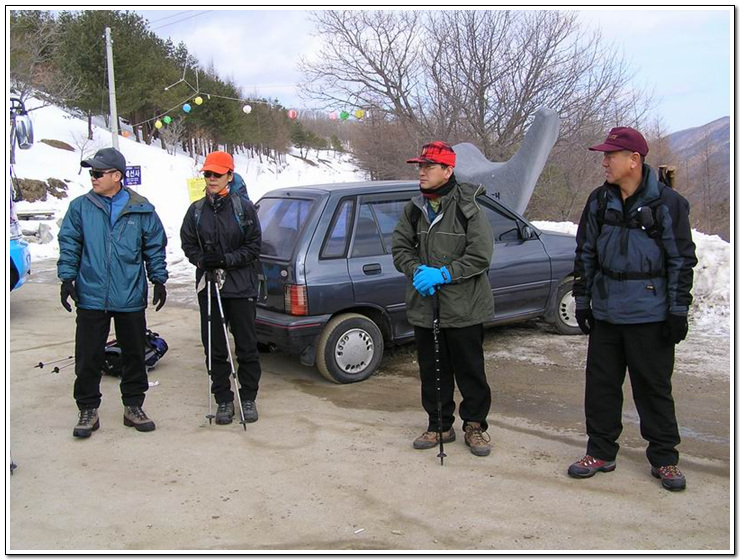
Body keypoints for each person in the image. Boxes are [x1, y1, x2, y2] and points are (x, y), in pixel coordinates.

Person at [568, 127, 698, 491]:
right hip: (607, 314)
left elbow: (681, 261)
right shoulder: (598, 201)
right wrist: (583, 302)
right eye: (604, 155)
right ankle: (600, 451)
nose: (605, 162)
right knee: (601, 388)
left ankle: (665, 458)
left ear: (634, 160)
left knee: (653, 389)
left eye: (610, 156)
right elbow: (586, 254)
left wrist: (677, 311)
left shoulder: (668, 204)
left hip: (650, 316)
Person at [392, 141, 495, 457]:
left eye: (428, 167)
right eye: (419, 166)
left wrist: (445, 274)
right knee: (432, 368)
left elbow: (481, 255)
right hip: (426, 305)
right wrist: (417, 270)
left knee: (469, 369)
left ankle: (475, 426)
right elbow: (399, 248)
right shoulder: (414, 208)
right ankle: (439, 424)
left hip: (463, 306)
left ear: (448, 170)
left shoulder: (468, 206)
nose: (421, 172)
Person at [58, 147, 168, 438]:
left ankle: (133, 406)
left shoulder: (141, 208)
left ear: (117, 176)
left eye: (97, 173)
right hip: (92, 294)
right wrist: (67, 278)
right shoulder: (80, 207)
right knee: (88, 355)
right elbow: (69, 242)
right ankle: (88, 409)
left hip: (129, 295)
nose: (92, 177)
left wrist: (158, 278)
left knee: (134, 354)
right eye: (91, 172)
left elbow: (154, 246)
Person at [180, 151, 263, 425]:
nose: (211, 179)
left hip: (241, 287)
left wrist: (227, 260)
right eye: (207, 174)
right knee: (214, 346)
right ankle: (224, 400)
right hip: (210, 287)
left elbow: (253, 247)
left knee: (247, 346)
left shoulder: (244, 209)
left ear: (230, 175)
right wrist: (201, 259)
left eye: (217, 174)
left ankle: (247, 397)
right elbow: (188, 243)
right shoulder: (196, 210)